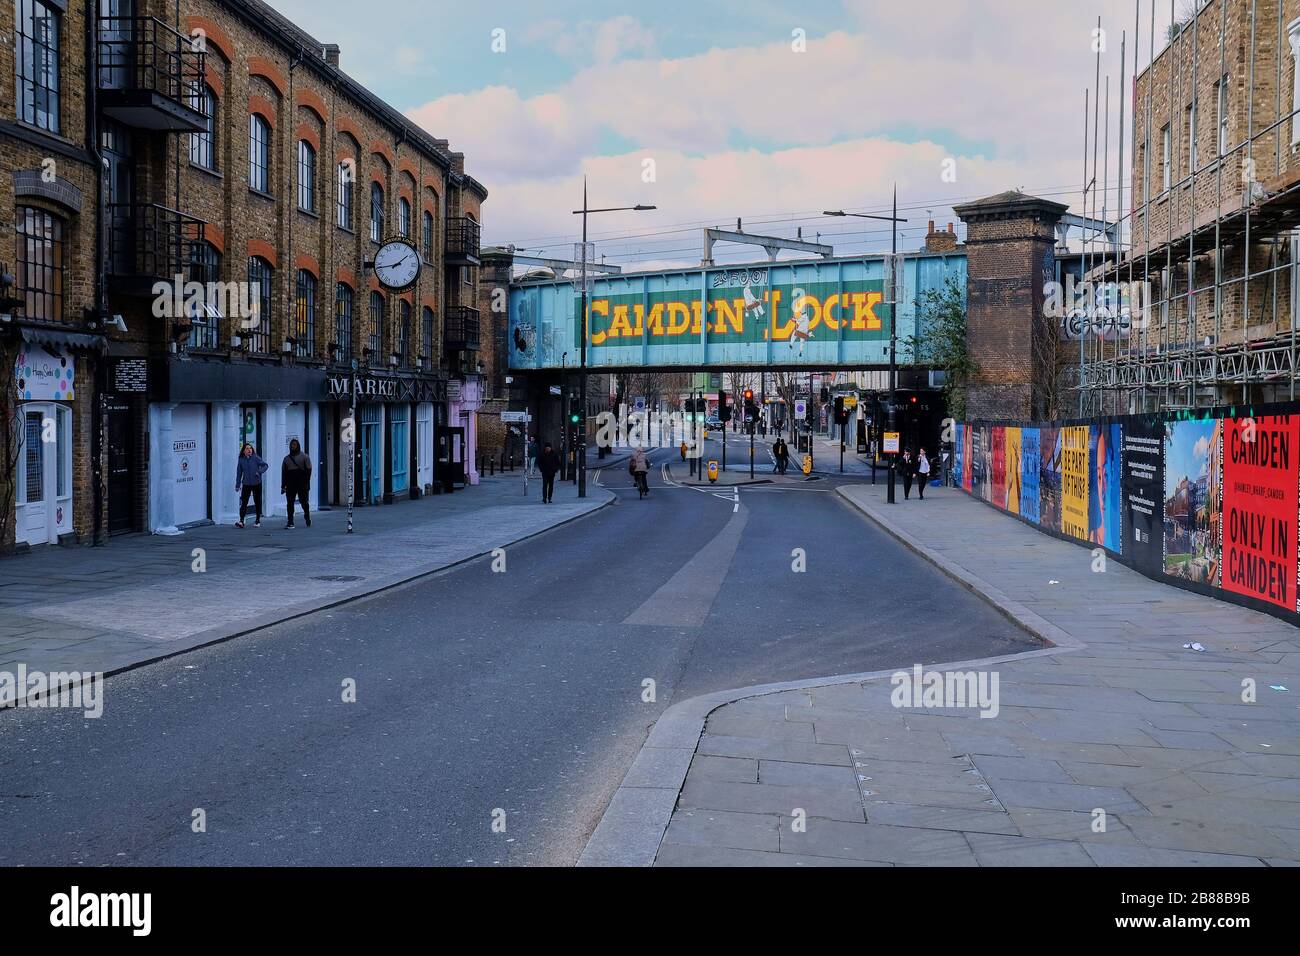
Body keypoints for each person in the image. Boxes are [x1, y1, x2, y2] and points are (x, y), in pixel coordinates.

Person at [234, 443, 268, 529]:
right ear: (244, 451)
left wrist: (259, 472)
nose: (249, 450)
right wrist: (237, 484)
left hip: (256, 483)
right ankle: (241, 521)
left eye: (250, 448)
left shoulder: (256, 458)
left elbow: (265, 465)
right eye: (247, 449)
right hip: (246, 484)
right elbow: (239, 473)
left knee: (257, 501)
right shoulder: (241, 460)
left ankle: (257, 520)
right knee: (244, 502)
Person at [282, 438, 312, 528]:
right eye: (291, 445)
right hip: (290, 483)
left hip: (302, 483)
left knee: (304, 502)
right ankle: (290, 521)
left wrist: (307, 482)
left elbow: (309, 470)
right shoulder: (286, 459)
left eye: (295, 444)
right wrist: (283, 485)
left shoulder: (305, 457)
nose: (293, 446)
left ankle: (307, 516)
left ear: (298, 445)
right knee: (290, 503)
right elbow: (284, 473)